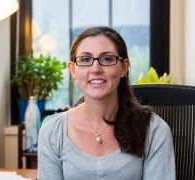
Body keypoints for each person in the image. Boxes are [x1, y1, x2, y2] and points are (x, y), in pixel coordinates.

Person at [38, 26, 176, 180]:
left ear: (124, 68)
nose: (96, 69)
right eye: (85, 59)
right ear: (73, 69)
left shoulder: (154, 130)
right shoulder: (52, 131)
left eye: (107, 59)